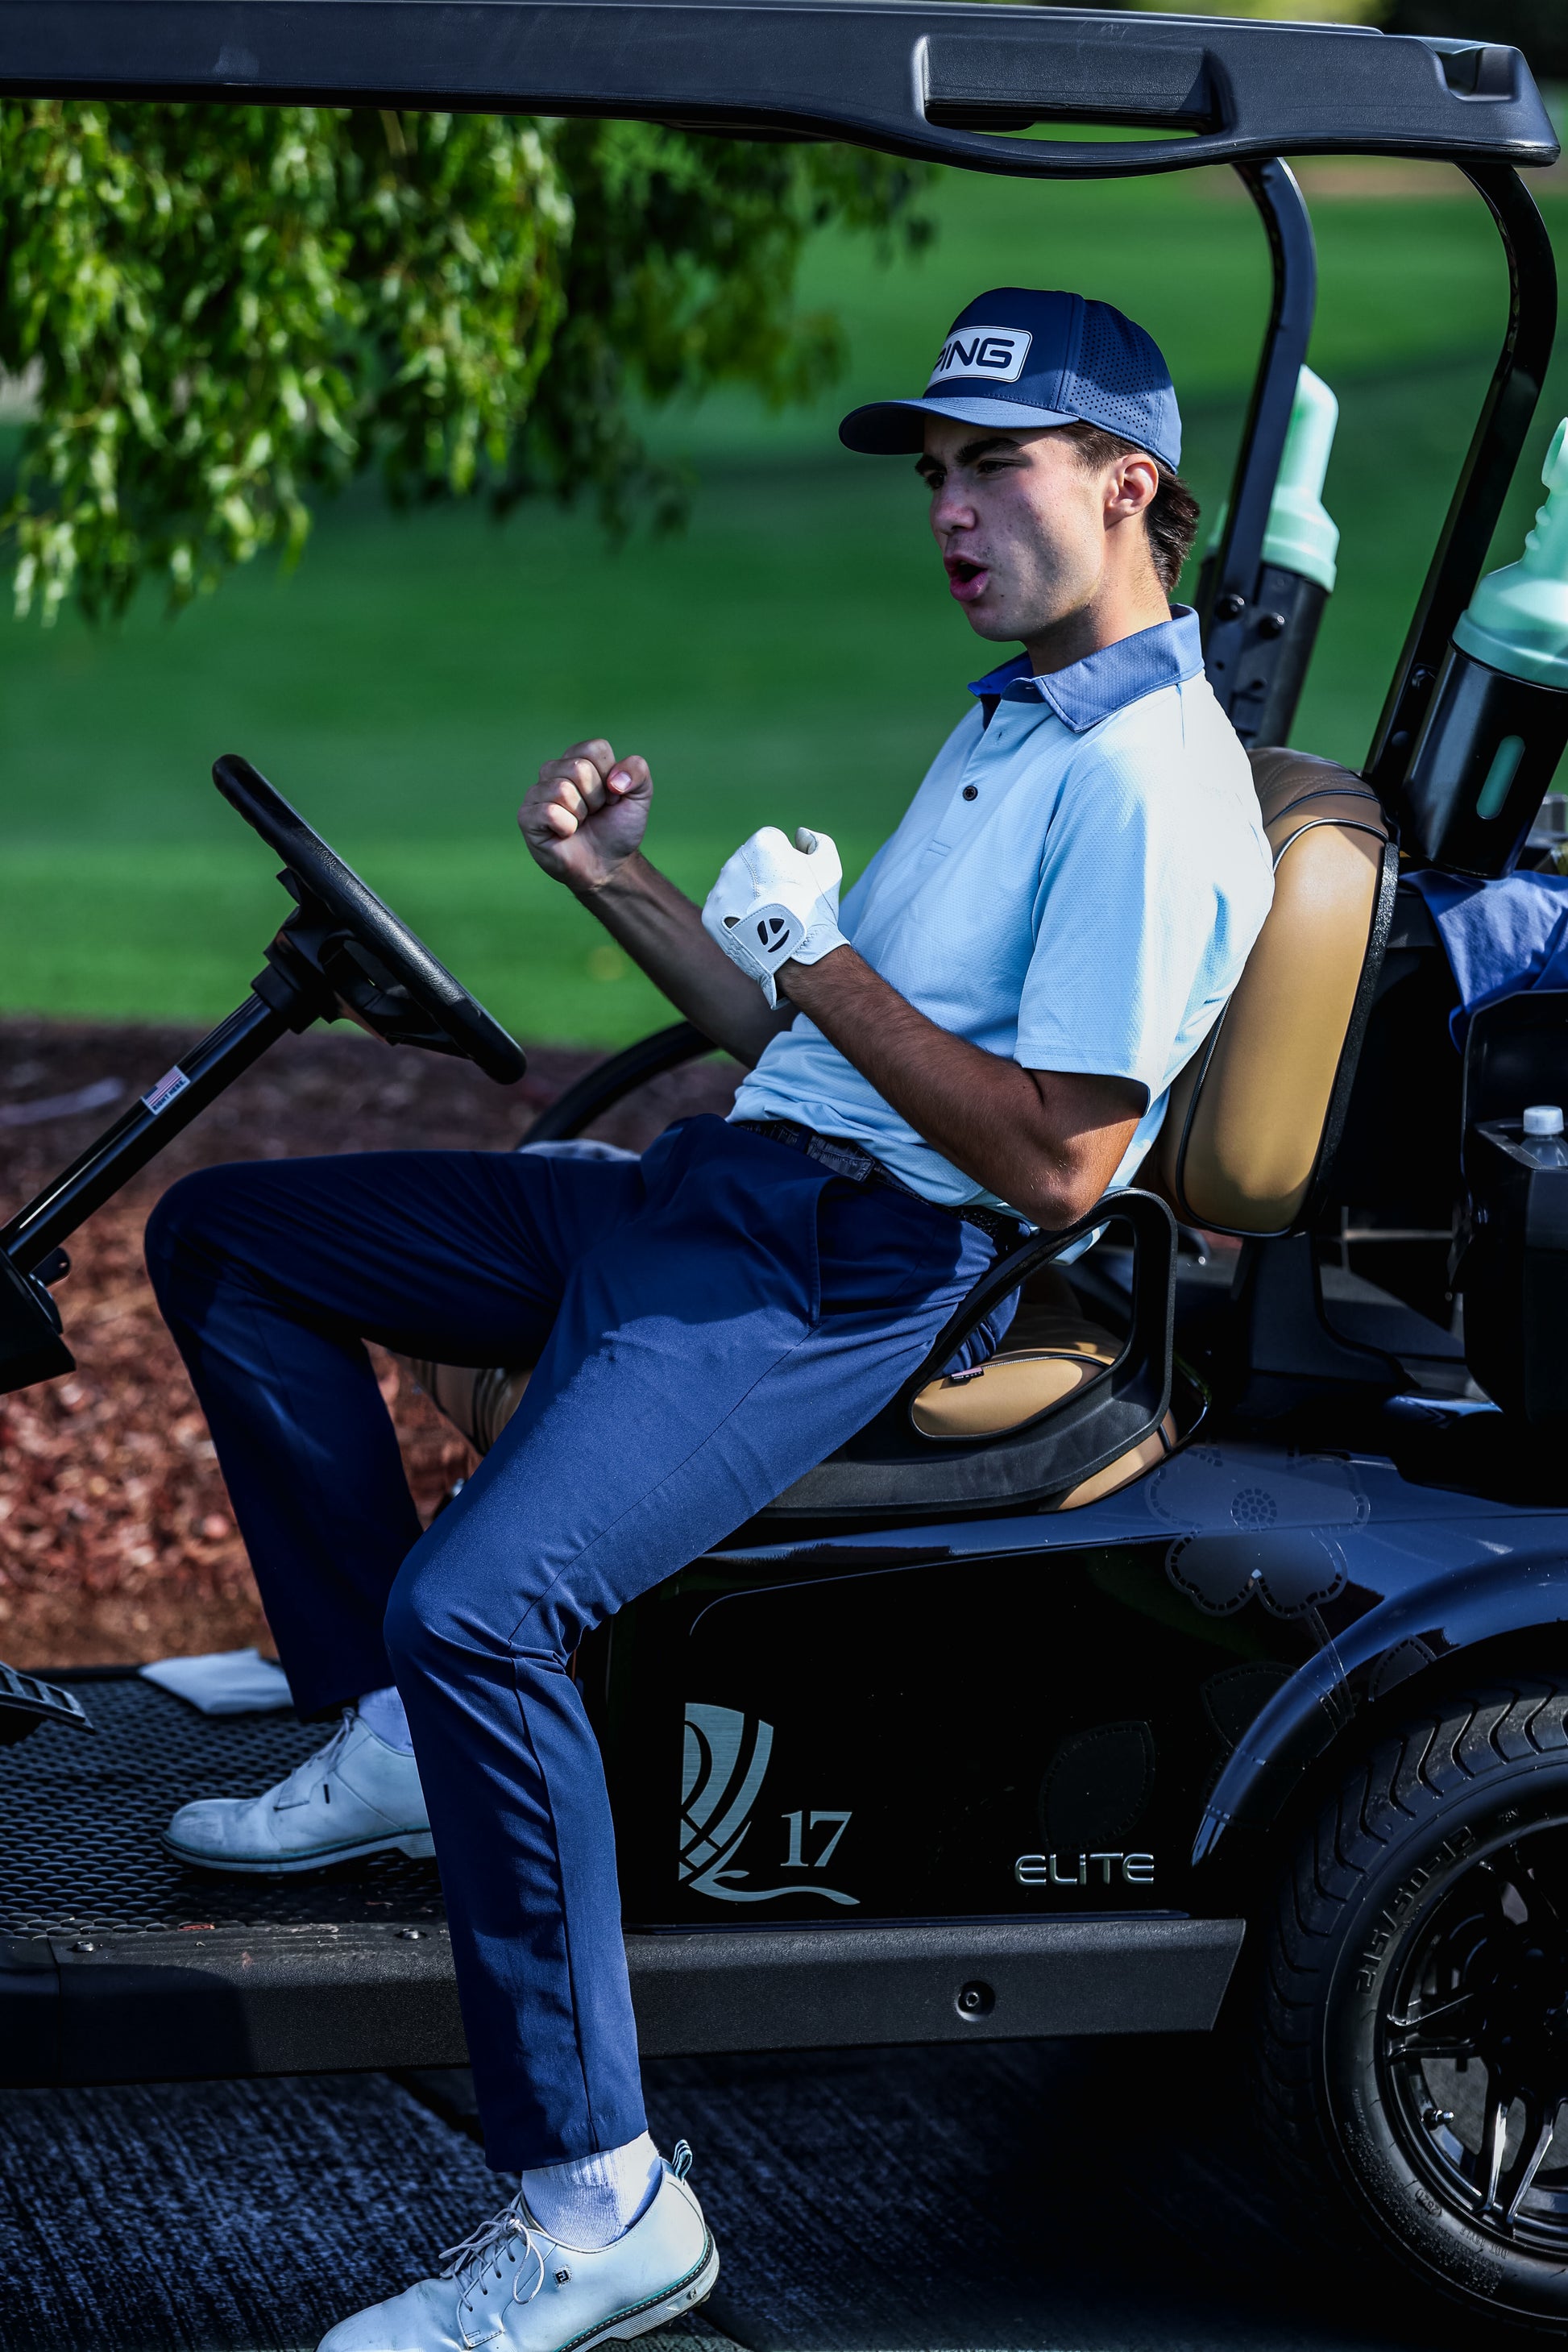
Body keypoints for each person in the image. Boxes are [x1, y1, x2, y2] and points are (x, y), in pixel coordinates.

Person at [145, 286, 1273, 2352]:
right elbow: (804, 1037)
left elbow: (1048, 1163)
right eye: (932, 473)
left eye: (992, 466)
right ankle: (395, 1736)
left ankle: (598, 2203)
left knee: (484, 1604)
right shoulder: (1025, 717)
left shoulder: (1154, 790)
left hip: (850, 1268)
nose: (948, 508)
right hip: (728, 1186)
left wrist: (820, 958)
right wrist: (634, 888)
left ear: (1131, 486)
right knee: (233, 1238)